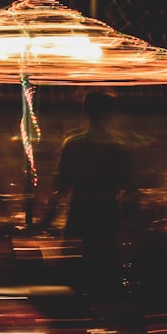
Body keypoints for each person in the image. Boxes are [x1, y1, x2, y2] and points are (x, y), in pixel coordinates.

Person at [38, 91, 140, 301]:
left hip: (80, 213)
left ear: (86, 113)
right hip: (106, 215)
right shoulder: (118, 149)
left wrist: (45, 221)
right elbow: (131, 190)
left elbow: (61, 187)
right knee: (106, 275)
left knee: (74, 274)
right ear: (110, 114)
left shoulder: (73, 145)